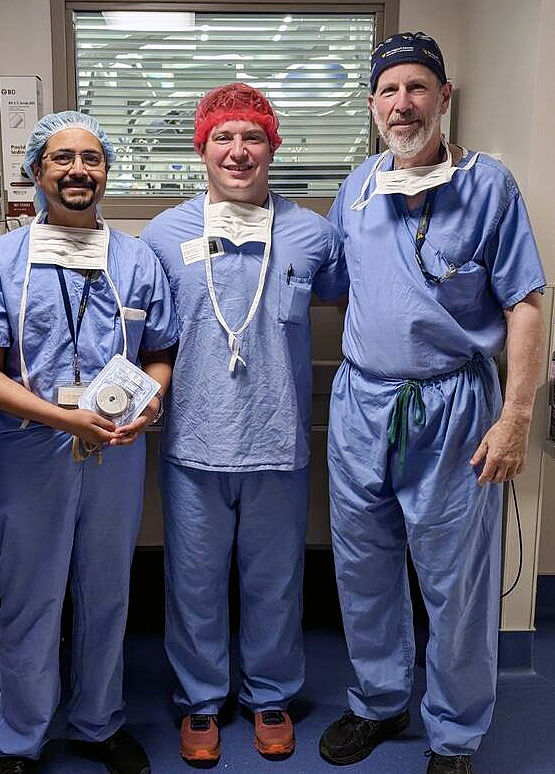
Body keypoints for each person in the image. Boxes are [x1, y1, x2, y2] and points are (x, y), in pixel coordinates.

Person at [318, 32, 546, 774]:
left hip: (451, 406)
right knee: (363, 564)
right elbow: (330, 278)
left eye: (417, 88)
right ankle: (379, 702)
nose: (402, 103)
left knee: (455, 575)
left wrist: (514, 417)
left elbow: (525, 303)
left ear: (443, 98)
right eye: (388, 90)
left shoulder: (489, 187)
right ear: (371, 105)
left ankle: (452, 733)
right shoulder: (355, 187)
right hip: (360, 402)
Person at [0, 111, 178, 774]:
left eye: (91, 158)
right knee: (33, 594)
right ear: (36, 171)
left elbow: (161, 350)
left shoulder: (137, 259)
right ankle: (21, 736)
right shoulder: (2, 259)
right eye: (62, 158)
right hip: (35, 448)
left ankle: (98, 720)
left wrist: (152, 398)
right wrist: (63, 421)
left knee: (107, 589)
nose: (78, 169)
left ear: (106, 170)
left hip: (115, 444)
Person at [140, 83, 347, 766]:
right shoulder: (164, 235)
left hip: (277, 440)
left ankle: (270, 694)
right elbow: (146, 334)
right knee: (193, 581)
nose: (237, 151)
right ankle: (200, 700)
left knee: (274, 580)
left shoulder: (311, 233)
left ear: (272, 148)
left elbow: (348, 297)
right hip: (194, 441)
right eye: (223, 138)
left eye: (252, 138)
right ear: (201, 147)